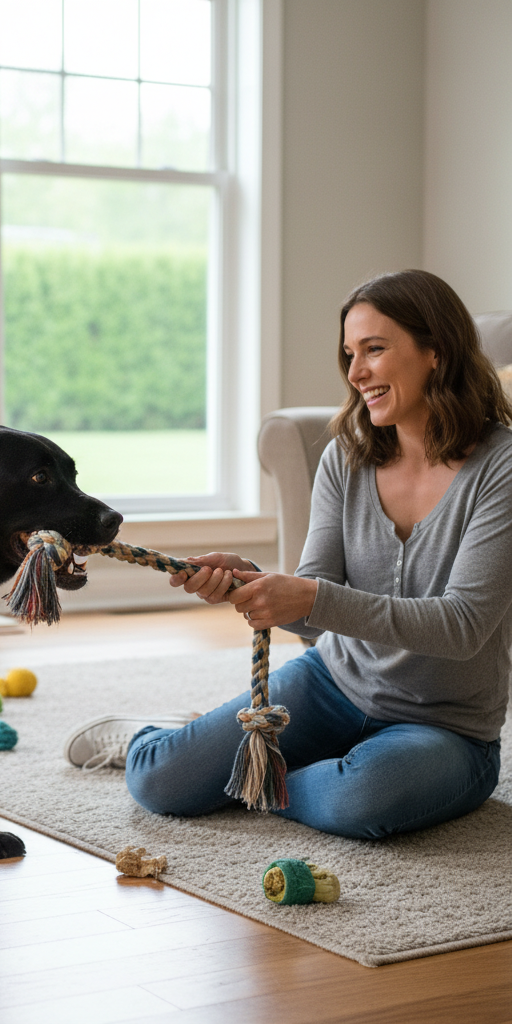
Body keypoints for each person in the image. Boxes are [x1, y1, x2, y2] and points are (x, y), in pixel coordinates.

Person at [63, 269, 512, 839]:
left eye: (374, 349)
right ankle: (174, 740)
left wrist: (310, 595)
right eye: (349, 354)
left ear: (436, 352)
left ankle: (261, 773)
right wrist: (257, 586)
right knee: (159, 781)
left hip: (445, 727)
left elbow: (464, 626)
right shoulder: (345, 459)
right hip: (334, 684)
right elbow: (313, 613)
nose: (355, 373)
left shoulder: (501, 468)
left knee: (363, 799)